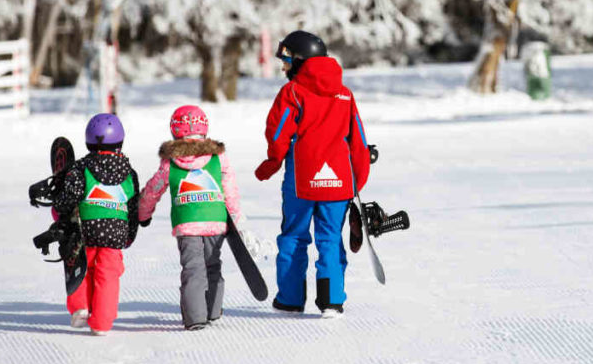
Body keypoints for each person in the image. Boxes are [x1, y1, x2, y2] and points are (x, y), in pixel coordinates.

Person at [255, 30, 371, 316]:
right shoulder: (345, 94)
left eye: (285, 59)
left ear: (299, 60)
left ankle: (291, 300)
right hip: (338, 181)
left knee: (294, 236)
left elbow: (279, 132)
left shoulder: (293, 92)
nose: (283, 66)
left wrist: (272, 162)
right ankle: (332, 300)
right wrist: (357, 180)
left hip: (302, 179)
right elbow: (358, 141)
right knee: (330, 238)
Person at [137, 105, 248, 330]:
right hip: (215, 221)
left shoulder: (170, 162)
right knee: (213, 266)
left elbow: (153, 189)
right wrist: (236, 219)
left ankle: (196, 317)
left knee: (193, 268)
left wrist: (142, 214)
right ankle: (213, 310)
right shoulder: (219, 158)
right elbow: (230, 190)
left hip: (187, 223)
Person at [55, 113, 140, 335]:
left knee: (80, 267)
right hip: (115, 232)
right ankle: (102, 323)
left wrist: (60, 210)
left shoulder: (80, 169)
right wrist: (130, 234)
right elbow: (133, 207)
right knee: (108, 276)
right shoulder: (129, 172)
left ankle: (81, 307)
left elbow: (69, 197)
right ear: (120, 141)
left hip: (86, 229)